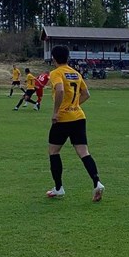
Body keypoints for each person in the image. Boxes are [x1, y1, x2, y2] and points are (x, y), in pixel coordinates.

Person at [45, 45, 104, 202]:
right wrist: (74, 106)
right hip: (78, 117)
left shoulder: (56, 73)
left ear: (53, 58)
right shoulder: (75, 73)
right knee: (84, 152)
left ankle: (59, 188)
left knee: (53, 151)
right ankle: (97, 182)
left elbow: (60, 90)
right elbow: (86, 94)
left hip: (63, 119)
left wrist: (57, 111)